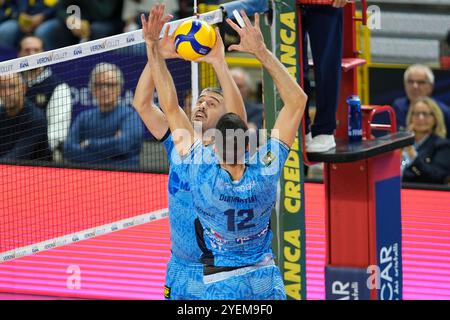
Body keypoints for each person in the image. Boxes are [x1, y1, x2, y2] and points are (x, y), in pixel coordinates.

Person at [143, 5, 307, 299]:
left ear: (213, 147)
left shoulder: (203, 170)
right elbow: (297, 101)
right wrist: (260, 51)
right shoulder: (265, 168)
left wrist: (152, 46)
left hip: (222, 285)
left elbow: (169, 105)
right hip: (264, 279)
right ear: (248, 145)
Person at [135, 4, 246, 299]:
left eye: (211, 103)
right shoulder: (180, 140)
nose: (201, 105)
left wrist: (220, 63)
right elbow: (145, 104)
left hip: (218, 271)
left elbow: (238, 118)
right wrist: (157, 53)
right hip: (179, 267)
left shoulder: (230, 152)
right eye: (199, 101)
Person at [64, 62, 143, 168]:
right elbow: (68, 150)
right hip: (86, 176)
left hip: (123, 176)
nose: (104, 90)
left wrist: (88, 144)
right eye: (99, 85)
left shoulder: (130, 116)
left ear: (120, 88)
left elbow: (123, 145)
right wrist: (112, 154)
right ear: (92, 89)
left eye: (110, 85)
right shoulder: (83, 117)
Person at [303, 0, 348, 153]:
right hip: (285, 4)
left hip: (326, 3)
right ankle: (301, 127)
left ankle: (325, 130)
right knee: (291, 64)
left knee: (326, 65)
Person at [18, 36, 72, 161]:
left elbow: (58, 133)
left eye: (36, 50)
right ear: (19, 54)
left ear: (44, 54)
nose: (32, 54)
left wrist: (26, 147)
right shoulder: (10, 84)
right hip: (10, 151)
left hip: (42, 156)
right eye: (27, 50)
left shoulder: (59, 87)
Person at [0, 73, 51, 161]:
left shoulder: (36, 119)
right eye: (2, 87)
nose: (7, 93)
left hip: (34, 171)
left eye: (12, 87)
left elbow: (15, 158)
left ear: (23, 89)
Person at [393, 64, 450, 139]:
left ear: (431, 87)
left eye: (421, 82)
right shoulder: (398, 106)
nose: (415, 86)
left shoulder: (444, 112)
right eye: (410, 82)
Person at [401, 97, 450, 184]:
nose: (420, 118)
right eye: (416, 114)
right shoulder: (400, 141)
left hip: (421, 193)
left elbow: (437, 177)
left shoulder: (442, 145)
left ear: (435, 118)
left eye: (425, 114)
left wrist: (412, 156)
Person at [41, 0, 124, 50]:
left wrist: (83, 22)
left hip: (107, 23)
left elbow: (103, 13)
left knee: (97, 29)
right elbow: (61, 8)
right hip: (77, 21)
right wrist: (69, 19)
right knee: (46, 30)